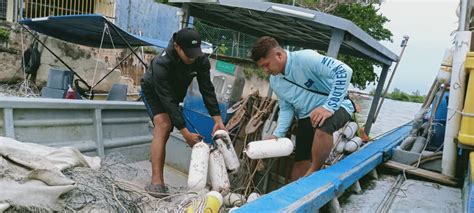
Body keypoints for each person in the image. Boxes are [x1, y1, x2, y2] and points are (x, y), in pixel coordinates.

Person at [250, 36, 354, 180]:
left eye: (267, 65)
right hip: (308, 116)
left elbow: (344, 71)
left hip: (338, 105)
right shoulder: (275, 81)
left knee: (323, 127)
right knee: (300, 161)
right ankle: (293, 191)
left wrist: (328, 107)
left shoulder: (305, 58)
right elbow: (286, 108)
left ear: (279, 55)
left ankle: (314, 171)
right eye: (262, 67)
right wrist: (277, 134)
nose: (265, 70)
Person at [140, 28, 226, 196]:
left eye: (195, 54)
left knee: (170, 122)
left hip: (174, 93)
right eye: (189, 54)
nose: (192, 58)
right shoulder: (161, 63)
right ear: (177, 47)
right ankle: (156, 181)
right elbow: (166, 101)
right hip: (154, 91)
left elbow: (207, 89)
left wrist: (218, 120)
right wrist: (186, 133)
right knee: (164, 125)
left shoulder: (200, 60)